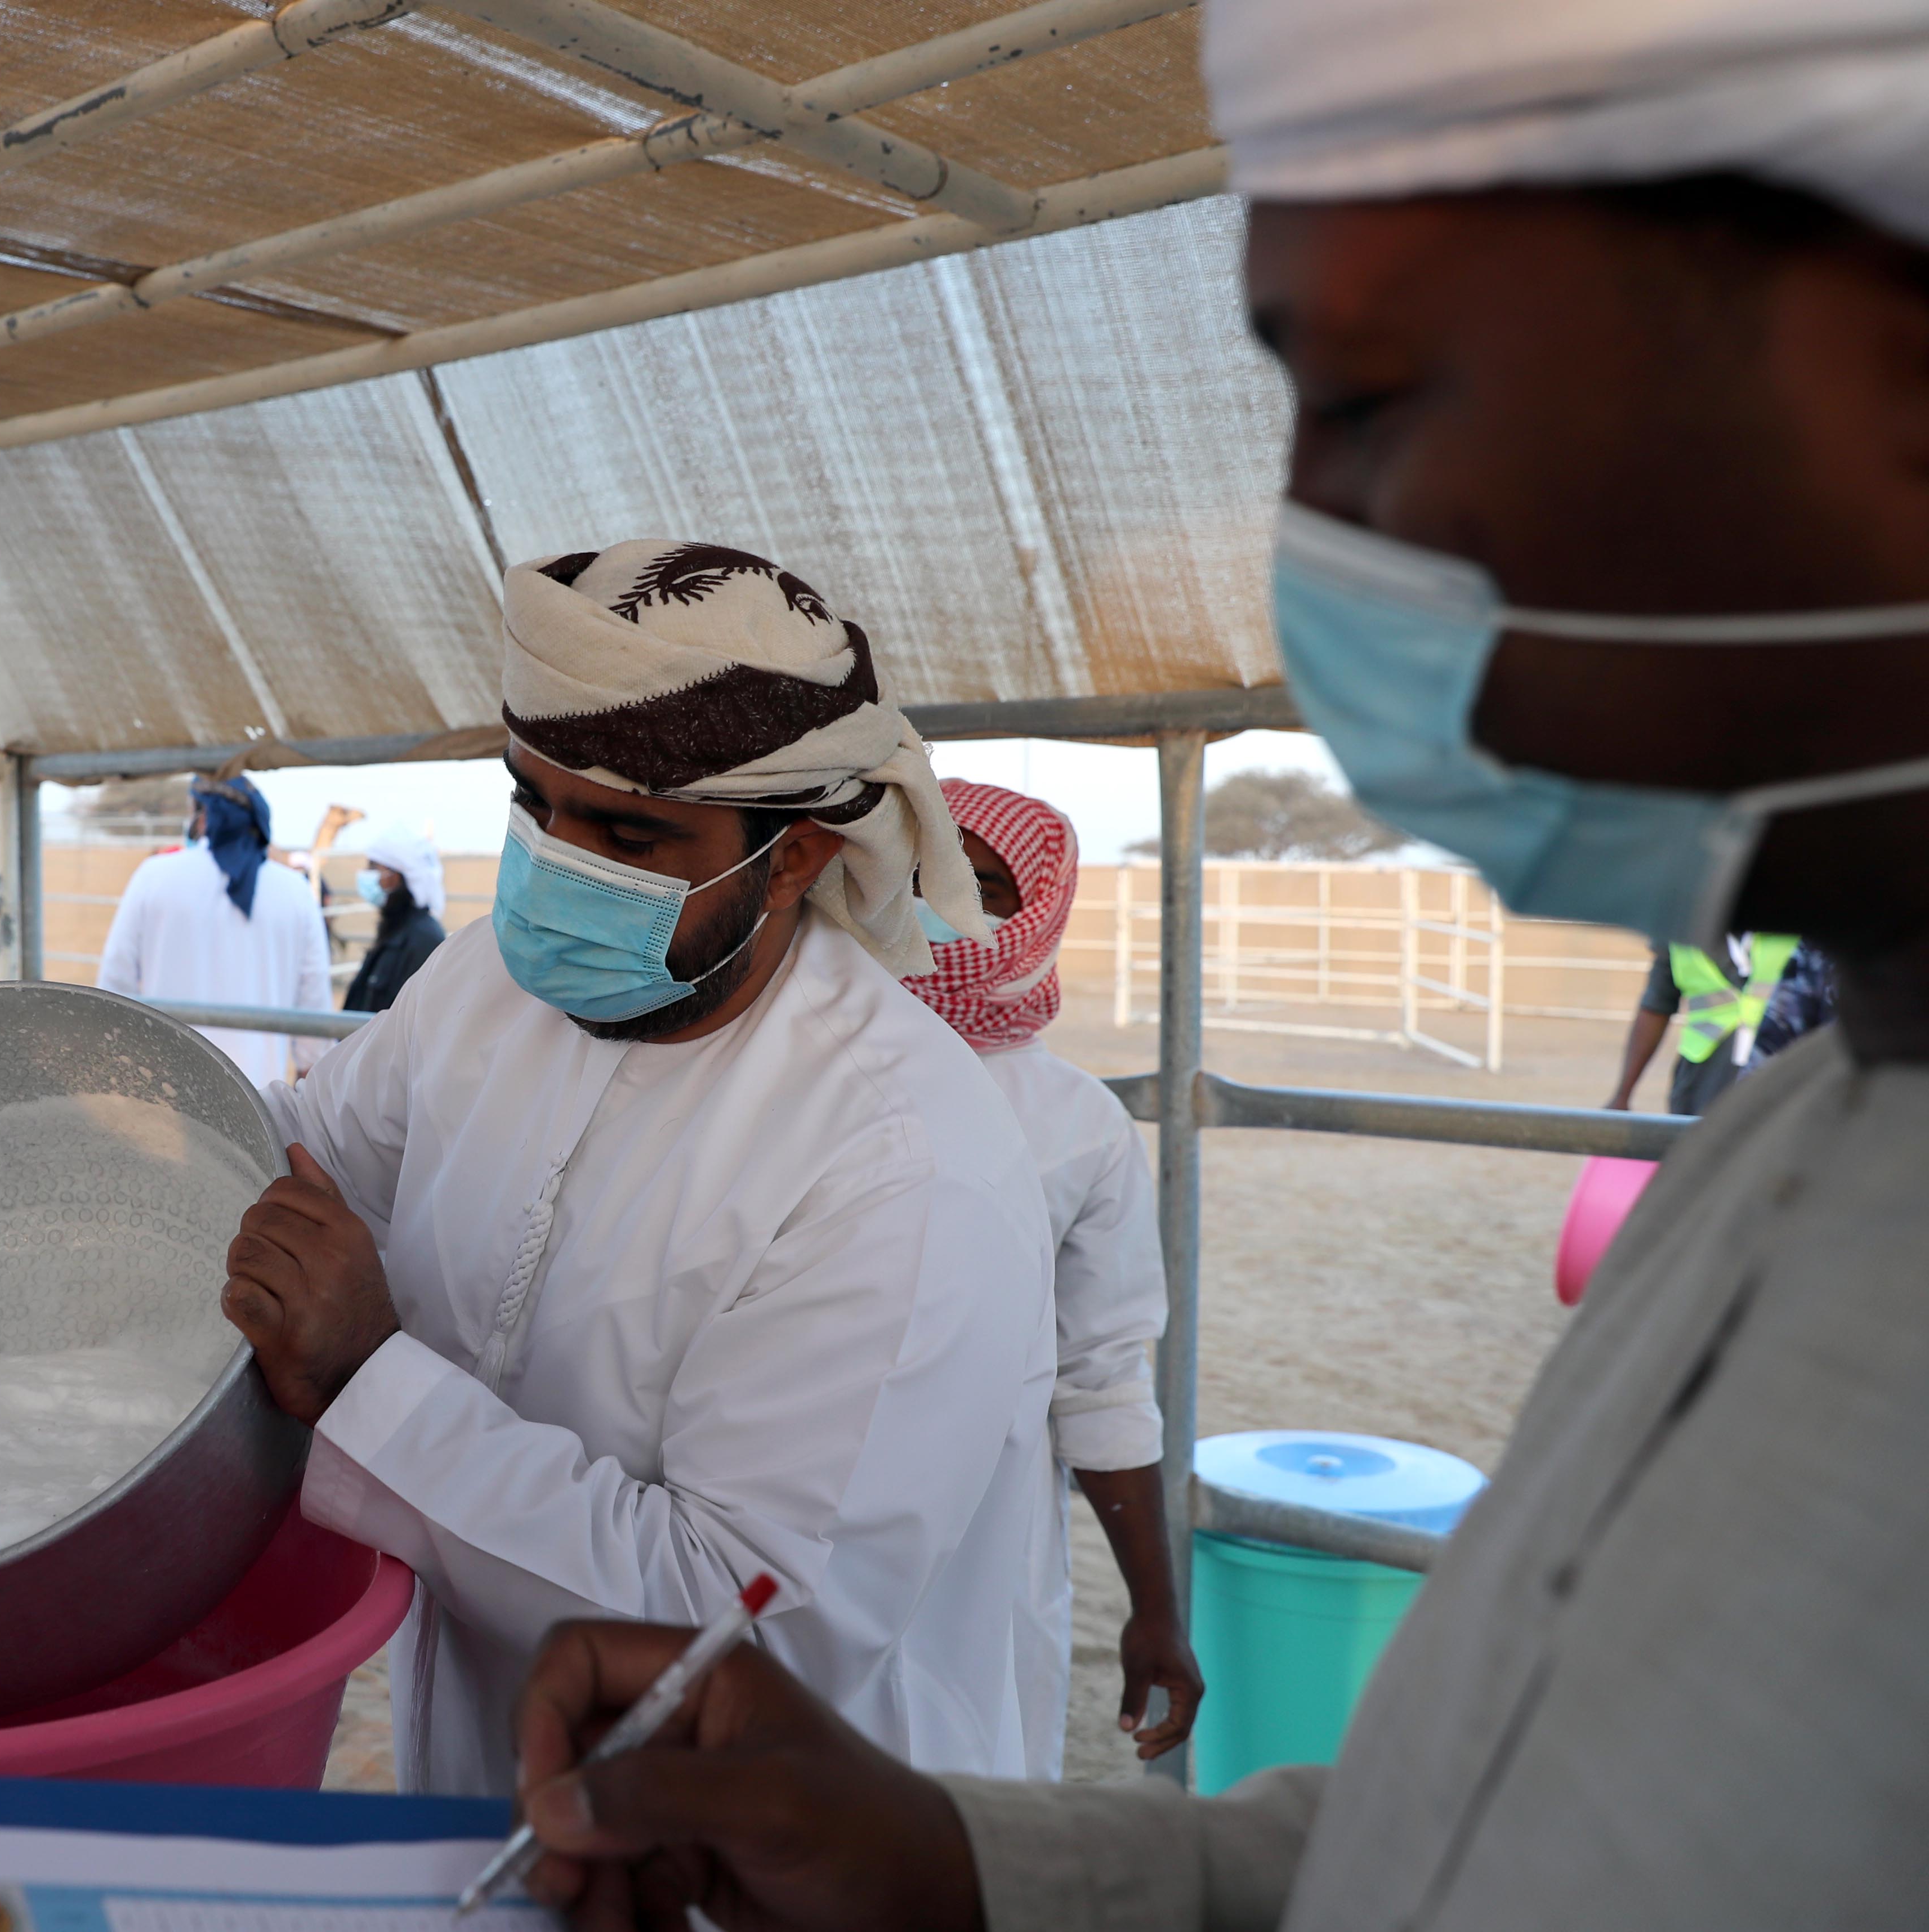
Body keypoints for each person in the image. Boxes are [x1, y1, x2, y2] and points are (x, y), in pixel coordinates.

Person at [497, 6, 1929, 1926]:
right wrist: (951, 1861)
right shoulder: (1785, 1154)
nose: (1329, 546)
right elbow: (1451, 1848)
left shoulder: (943, 1132)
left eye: (1369, 398)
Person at [218, 539, 1055, 1795]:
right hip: (487, 1782)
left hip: (761, 1846)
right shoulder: (482, 988)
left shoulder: (898, 1166)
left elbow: (746, 1621)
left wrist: (364, 1379)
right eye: (532, 804)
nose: (559, 862)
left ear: (793, 860)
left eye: (627, 832)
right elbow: (297, 1164)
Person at [904, 777, 1199, 1772]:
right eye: (917, 870)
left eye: (983, 884)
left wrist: (1152, 1611)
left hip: (979, 1540)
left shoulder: (1075, 1123)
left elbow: (1101, 1375)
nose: (943, 900)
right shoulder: (769, 1061)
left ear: (1039, 911)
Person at [95, 774, 332, 1087]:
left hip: (165, 1088)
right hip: (257, 1094)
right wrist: (308, 1068)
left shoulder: (154, 877)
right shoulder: (296, 891)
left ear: (203, 815)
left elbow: (116, 979)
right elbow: (313, 1001)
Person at [1603, 933, 1799, 1114]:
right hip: (1702, 1078)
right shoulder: (1680, 927)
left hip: (1783, 1070)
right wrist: (1622, 1096)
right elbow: (1656, 1005)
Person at [340, 826, 448, 1014]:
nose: (367, 874)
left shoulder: (423, 939)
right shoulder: (396, 932)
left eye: (374, 867)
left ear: (395, 877)